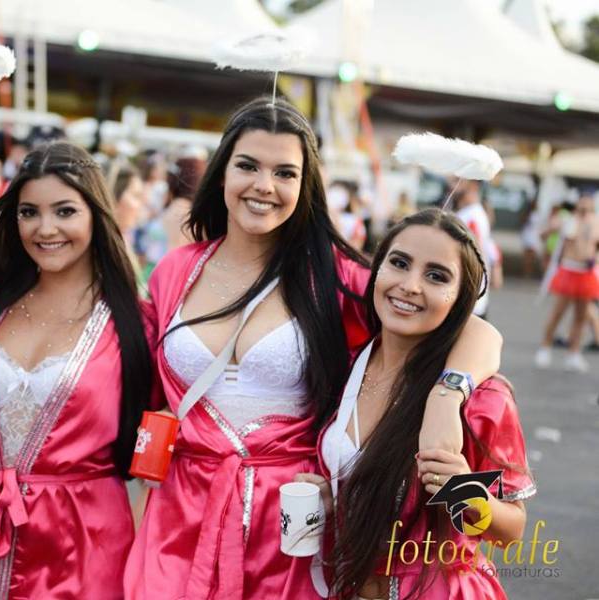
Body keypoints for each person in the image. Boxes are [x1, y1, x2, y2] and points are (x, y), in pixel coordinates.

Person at [124, 97, 502, 599]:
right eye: (248, 166)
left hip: (291, 519)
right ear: (222, 173)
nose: (264, 185)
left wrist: (446, 395)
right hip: (180, 512)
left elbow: (473, 330)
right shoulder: (175, 270)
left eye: (285, 172)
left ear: (305, 187)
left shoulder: (334, 276)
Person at [298, 208, 534, 599]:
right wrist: (331, 497)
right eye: (399, 263)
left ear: (460, 298)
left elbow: (511, 532)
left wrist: (466, 492)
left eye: (436, 276)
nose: (410, 285)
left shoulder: (483, 399)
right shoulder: (348, 365)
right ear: (377, 269)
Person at [0, 142, 152, 599]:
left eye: (65, 211)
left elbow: (160, 443)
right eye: (29, 212)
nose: (45, 229)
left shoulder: (137, 325)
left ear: (96, 216)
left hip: (84, 546)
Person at [535, 192, 599, 372]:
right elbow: (544, 233)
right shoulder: (568, 220)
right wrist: (553, 230)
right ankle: (545, 346)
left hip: (586, 272)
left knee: (581, 316)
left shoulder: (595, 222)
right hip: (570, 269)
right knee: (558, 312)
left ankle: (574, 352)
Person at [453, 180, 499, 318]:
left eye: (458, 180)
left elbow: (473, 251)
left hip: (467, 295)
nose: (453, 184)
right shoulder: (470, 213)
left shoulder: (471, 215)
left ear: (473, 185)